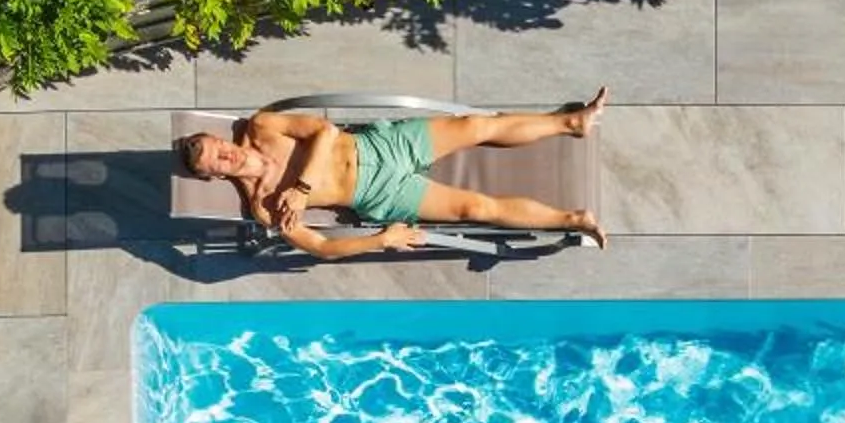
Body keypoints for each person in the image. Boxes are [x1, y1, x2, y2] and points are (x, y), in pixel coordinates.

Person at [178, 88, 609, 258]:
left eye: (218, 148)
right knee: (475, 207)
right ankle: (575, 221)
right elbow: (322, 248)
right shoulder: (264, 206)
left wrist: (303, 187)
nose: (224, 157)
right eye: (214, 163)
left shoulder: (262, 126)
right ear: (211, 177)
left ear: (223, 140)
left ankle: (570, 123)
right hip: (379, 192)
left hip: (379, 144)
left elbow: (325, 131)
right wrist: (382, 239)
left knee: (476, 126)